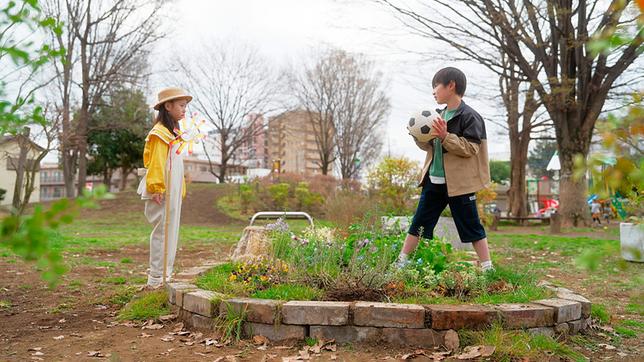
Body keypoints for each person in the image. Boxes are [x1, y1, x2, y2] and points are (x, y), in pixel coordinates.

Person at [396, 67, 493, 271]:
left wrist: (445, 136)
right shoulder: (435, 115)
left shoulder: (470, 116)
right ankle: (401, 262)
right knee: (419, 224)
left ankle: (487, 267)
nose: (433, 91)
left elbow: (471, 148)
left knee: (472, 226)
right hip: (434, 180)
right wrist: (417, 136)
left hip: (459, 185)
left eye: (436, 86)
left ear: (451, 85)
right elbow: (430, 147)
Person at [137, 87, 192, 287]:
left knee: (171, 232)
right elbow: (157, 162)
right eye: (181, 105)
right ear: (168, 106)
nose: (184, 109)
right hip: (162, 189)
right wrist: (157, 187)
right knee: (163, 232)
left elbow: (175, 164)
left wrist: (181, 189)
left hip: (172, 189)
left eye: (185, 106)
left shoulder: (173, 134)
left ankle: (165, 275)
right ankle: (156, 279)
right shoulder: (159, 133)